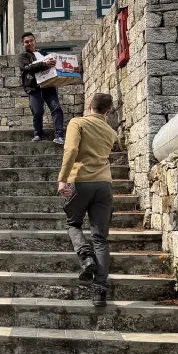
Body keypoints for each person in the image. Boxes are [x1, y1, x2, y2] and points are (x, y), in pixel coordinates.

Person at [57, 92, 119, 308]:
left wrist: (62, 179)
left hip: (81, 181)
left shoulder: (78, 122)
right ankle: (100, 292)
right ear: (108, 111)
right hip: (104, 186)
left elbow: (71, 149)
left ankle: (86, 257)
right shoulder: (111, 131)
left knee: (73, 224)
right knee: (100, 239)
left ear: (89, 106)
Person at [18, 32, 65, 144]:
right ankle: (38, 134)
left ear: (35, 41)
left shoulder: (44, 54)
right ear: (23, 44)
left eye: (31, 41)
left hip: (49, 86)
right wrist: (44, 64)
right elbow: (27, 67)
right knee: (37, 111)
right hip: (34, 88)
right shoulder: (23, 57)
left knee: (56, 109)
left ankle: (59, 135)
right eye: (26, 42)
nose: (29, 43)